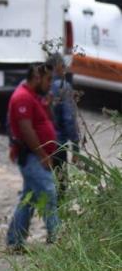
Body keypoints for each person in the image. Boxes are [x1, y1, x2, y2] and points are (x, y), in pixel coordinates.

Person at [6, 64, 60, 251]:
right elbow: (26, 130)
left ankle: (15, 240)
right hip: (31, 157)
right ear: (37, 78)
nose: (50, 84)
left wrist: (48, 104)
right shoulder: (22, 97)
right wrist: (42, 154)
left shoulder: (33, 97)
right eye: (48, 80)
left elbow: (44, 122)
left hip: (35, 156)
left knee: (28, 200)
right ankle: (58, 238)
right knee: (48, 193)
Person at [47, 54, 79, 199]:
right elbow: (69, 119)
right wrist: (76, 148)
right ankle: (57, 218)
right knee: (60, 186)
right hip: (58, 145)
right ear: (56, 67)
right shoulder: (63, 87)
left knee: (44, 185)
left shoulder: (38, 86)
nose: (65, 69)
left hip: (39, 145)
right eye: (63, 66)